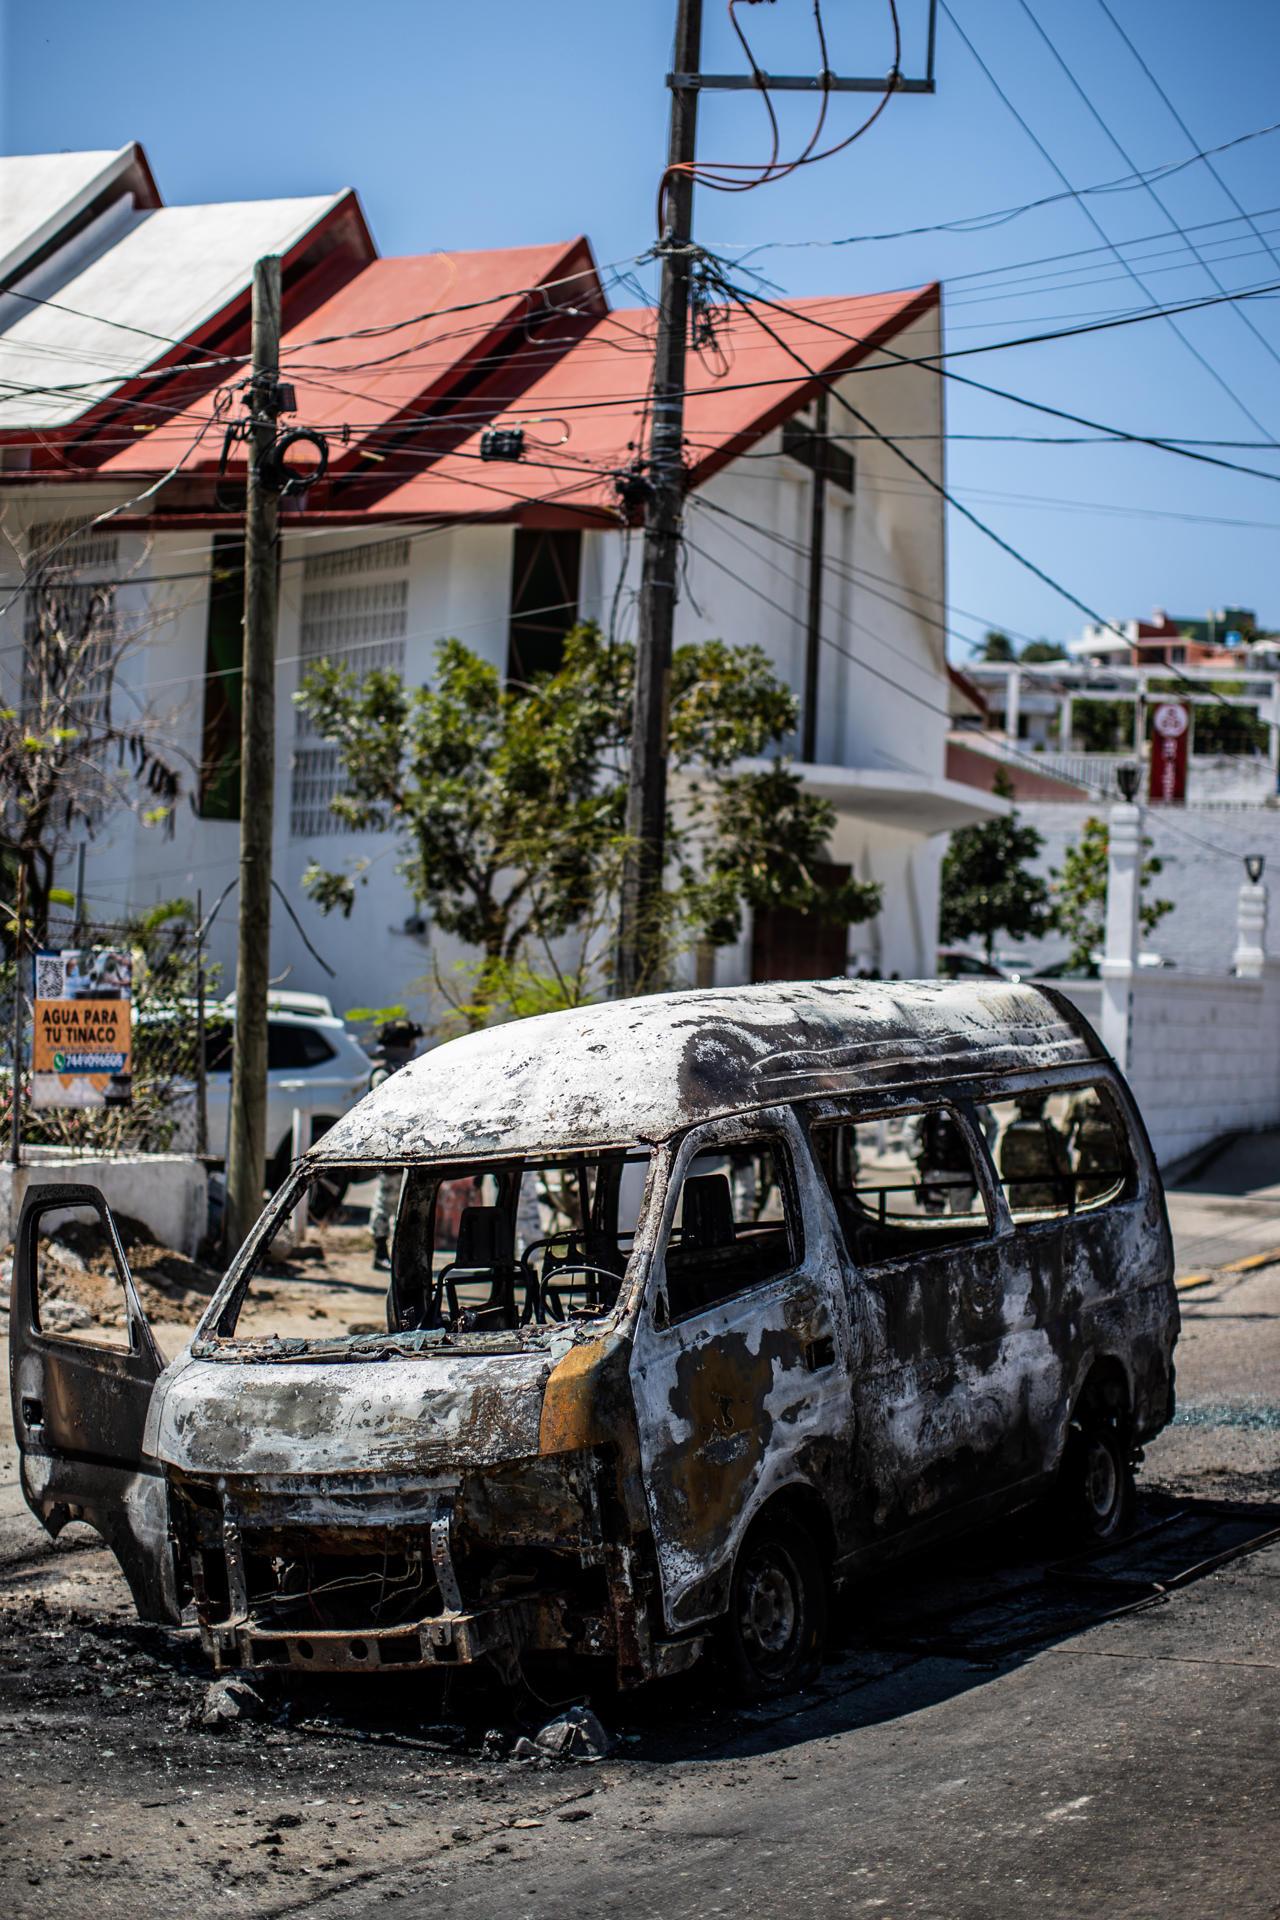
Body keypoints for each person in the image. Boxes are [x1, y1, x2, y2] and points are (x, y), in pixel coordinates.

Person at [369, 1018, 424, 1270]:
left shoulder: (410, 1069)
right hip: (391, 1148)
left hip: (413, 1148)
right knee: (387, 1198)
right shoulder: (384, 1074)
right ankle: (380, 1247)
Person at [997, 1092, 1073, 1214]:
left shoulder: (1010, 1132)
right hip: (1046, 1197)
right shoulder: (1049, 1133)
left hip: (1018, 1197)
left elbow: (1005, 1168)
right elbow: (1064, 1166)